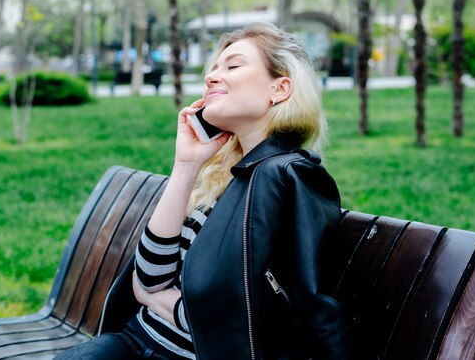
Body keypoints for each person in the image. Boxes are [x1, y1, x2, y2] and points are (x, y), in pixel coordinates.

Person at [54, 22, 348, 359]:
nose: (211, 77)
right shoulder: (219, 173)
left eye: (233, 65)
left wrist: (158, 299)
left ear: (279, 89)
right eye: (214, 68)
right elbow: (149, 276)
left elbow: (259, 313)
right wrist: (186, 164)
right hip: (135, 340)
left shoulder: (289, 176)